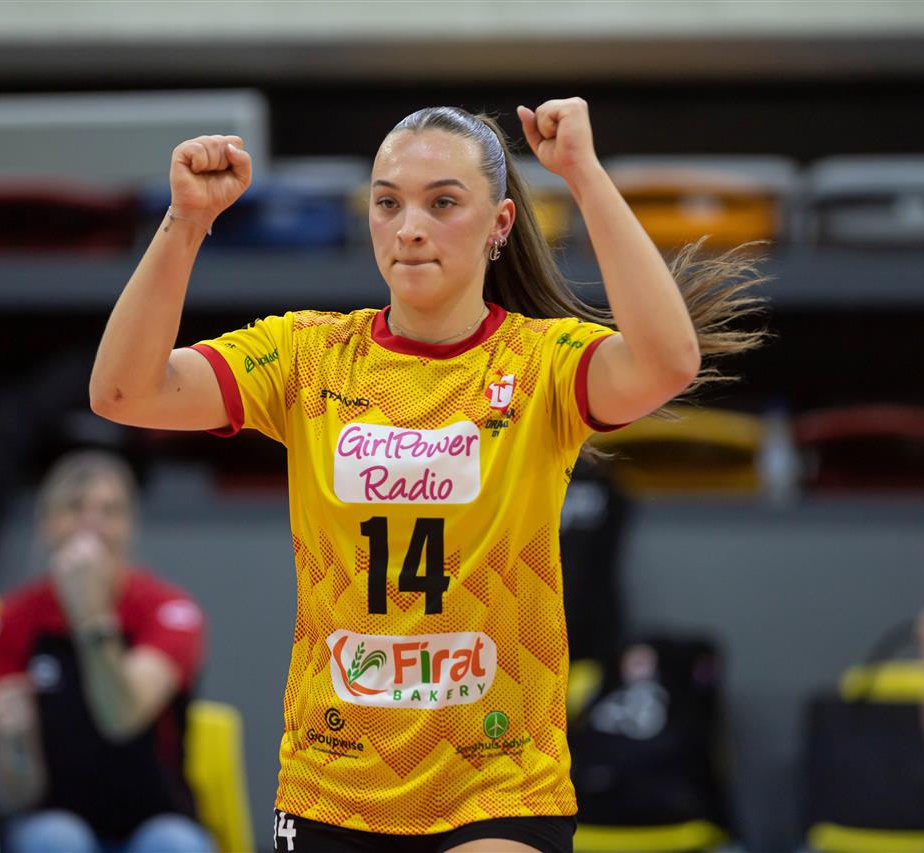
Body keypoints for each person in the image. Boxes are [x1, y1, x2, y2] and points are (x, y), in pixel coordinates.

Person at [90, 99, 765, 853]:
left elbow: (668, 362)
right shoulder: (307, 356)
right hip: (335, 785)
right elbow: (122, 392)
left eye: (442, 203)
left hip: (497, 782)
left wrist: (583, 174)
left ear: (500, 224)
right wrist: (186, 222)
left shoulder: (539, 363)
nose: (409, 226)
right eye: (388, 203)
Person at [0, 450, 214, 853]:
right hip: (53, 819)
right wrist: (15, 742)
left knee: (176, 845)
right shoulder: (13, 619)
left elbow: (121, 718)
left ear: (130, 526)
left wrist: (90, 616)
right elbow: (18, 794)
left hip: (155, 820)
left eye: (110, 511)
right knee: (56, 839)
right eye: (74, 508)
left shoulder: (169, 610)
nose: (92, 524)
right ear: (46, 524)